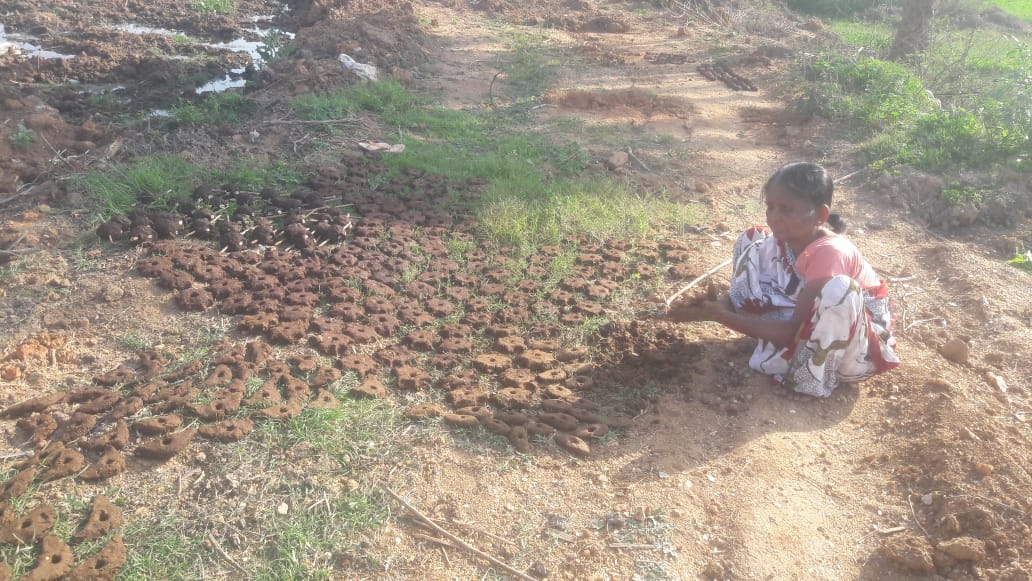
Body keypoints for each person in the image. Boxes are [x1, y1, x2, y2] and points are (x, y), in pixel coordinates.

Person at [667, 162, 899, 397]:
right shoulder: (784, 242)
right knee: (753, 238)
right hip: (805, 322)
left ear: (820, 215)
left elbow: (793, 331)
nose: (774, 217)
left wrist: (722, 317)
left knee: (840, 289)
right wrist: (720, 306)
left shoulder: (831, 252)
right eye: (770, 207)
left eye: (786, 210)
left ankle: (811, 379)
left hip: (854, 350)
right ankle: (774, 339)